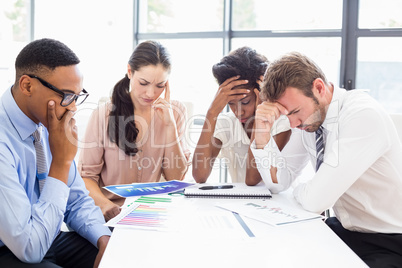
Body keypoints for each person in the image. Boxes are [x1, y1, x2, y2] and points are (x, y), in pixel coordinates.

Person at [251, 51, 402, 267]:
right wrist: (262, 134)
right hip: (345, 231)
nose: (292, 124)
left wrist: (301, 190)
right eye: (286, 116)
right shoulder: (311, 118)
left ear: (319, 88)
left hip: (388, 240)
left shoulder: (362, 116)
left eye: (294, 111)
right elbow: (279, 182)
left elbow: (315, 202)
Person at [0, 38, 111, 267]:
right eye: (66, 95)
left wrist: (104, 238)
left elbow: (76, 201)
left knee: (119, 254)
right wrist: (61, 162)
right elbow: (30, 248)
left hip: (48, 234)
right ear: (27, 86)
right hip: (12, 249)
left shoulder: (48, 123)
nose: (72, 107)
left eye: (77, 96)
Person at [78, 40, 190, 221]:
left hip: (150, 213)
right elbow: (86, 177)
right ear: (130, 72)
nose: (151, 93)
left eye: (160, 85)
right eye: (144, 83)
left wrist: (169, 126)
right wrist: (108, 207)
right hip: (109, 212)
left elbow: (175, 178)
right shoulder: (103, 115)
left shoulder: (175, 113)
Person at [192, 46, 290, 184]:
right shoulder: (226, 123)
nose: (238, 111)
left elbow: (252, 179)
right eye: (230, 103)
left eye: (245, 102)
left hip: (278, 204)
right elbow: (199, 176)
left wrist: (260, 116)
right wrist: (211, 113)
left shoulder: (281, 123)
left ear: (262, 94)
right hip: (239, 204)